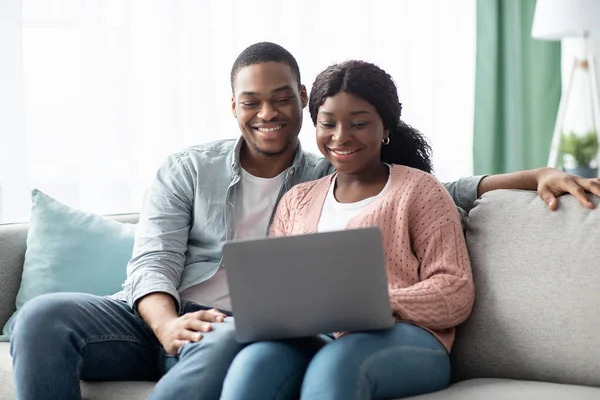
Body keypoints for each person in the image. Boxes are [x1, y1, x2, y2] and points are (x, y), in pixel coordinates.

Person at [9, 42, 600, 400]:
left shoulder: (354, 177)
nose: (268, 113)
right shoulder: (203, 172)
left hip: (249, 326)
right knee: (38, 317)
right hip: (167, 319)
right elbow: (153, 262)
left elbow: (427, 192)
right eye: (252, 101)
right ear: (233, 106)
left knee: (236, 343)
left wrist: (532, 175)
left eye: (283, 98)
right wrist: (166, 326)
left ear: (300, 101)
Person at [220, 59, 473, 400]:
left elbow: (455, 291)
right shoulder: (297, 199)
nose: (341, 137)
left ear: (385, 128)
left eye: (358, 124)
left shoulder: (420, 190)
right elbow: (280, 290)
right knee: (254, 362)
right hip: (319, 336)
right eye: (328, 124)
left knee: (335, 366)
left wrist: (378, 301)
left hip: (408, 338)